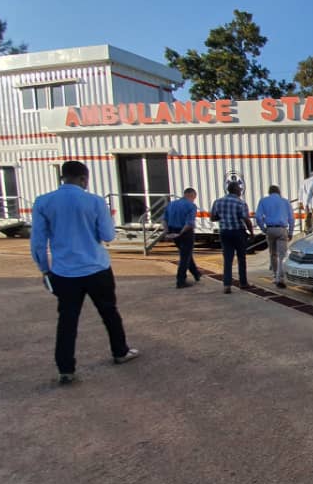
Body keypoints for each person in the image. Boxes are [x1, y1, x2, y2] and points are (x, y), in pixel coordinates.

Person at [30, 160, 139, 385]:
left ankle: (65, 369)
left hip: (64, 272)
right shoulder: (95, 201)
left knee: (67, 320)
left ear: (63, 177)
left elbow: (38, 243)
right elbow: (108, 235)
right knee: (109, 313)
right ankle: (120, 352)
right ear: (84, 179)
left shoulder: (43, 202)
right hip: (97, 269)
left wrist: (44, 270)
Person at [211, 181, 255, 294]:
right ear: (236, 190)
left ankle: (227, 285)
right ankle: (243, 283)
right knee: (241, 258)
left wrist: (223, 218)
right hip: (238, 232)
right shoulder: (241, 203)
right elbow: (246, 220)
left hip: (224, 232)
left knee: (228, 259)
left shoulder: (218, 202)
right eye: (240, 190)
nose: (241, 191)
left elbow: (213, 217)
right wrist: (251, 232)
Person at [255, 184, 294, 288]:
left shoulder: (263, 201)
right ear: (279, 192)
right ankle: (280, 278)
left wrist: (263, 229)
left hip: (270, 229)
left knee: (273, 254)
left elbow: (258, 217)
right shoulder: (285, 202)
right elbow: (291, 218)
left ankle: (274, 275)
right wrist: (290, 232)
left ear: (269, 192)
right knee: (282, 255)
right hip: (282, 229)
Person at [164, 188, 202, 289]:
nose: (194, 199)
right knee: (184, 257)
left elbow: (164, 220)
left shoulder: (171, 204)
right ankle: (180, 280)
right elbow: (189, 223)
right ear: (191, 195)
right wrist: (181, 233)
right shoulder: (191, 206)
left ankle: (196, 273)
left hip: (172, 230)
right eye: (194, 197)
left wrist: (167, 232)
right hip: (185, 232)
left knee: (186, 253)